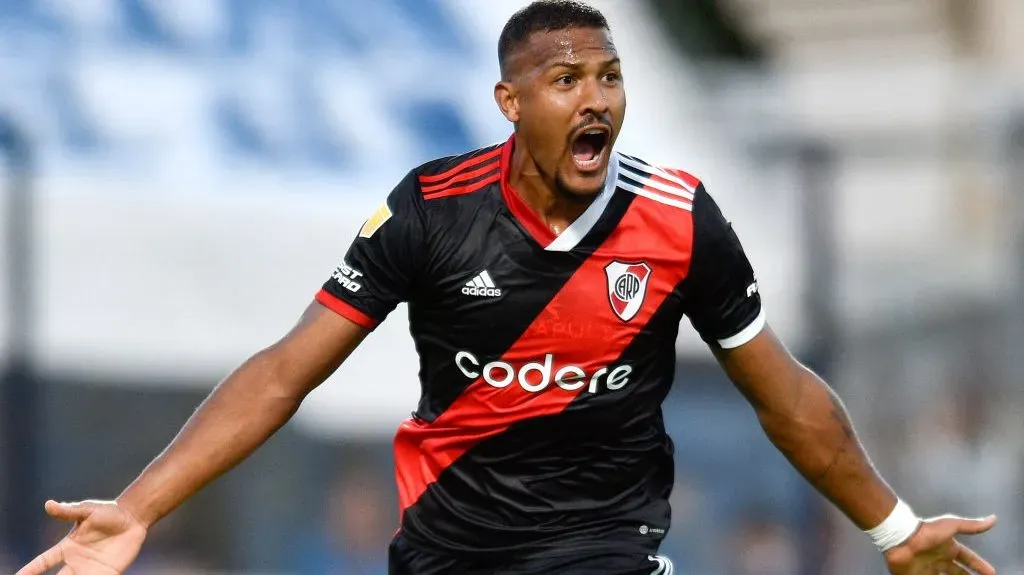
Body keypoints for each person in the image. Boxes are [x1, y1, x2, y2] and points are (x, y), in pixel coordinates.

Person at [17, 2, 998, 574]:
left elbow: (783, 393)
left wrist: (895, 527)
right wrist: (139, 505)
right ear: (510, 101)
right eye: (567, 78)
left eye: (610, 76)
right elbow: (283, 372)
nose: (598, 98)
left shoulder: (677, 215)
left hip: (608, 551)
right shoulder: (431, 212)